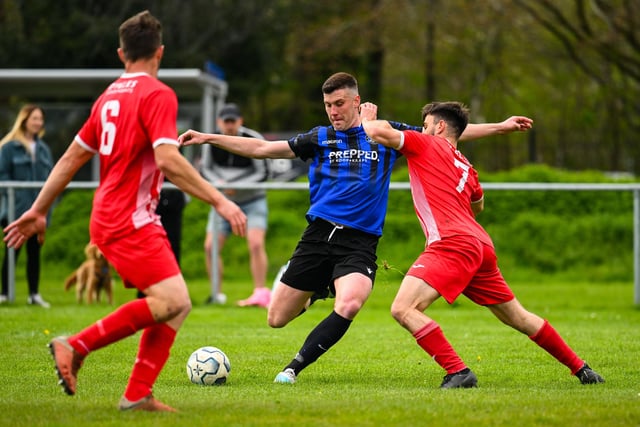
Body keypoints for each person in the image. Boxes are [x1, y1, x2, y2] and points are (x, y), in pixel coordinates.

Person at [178, 72, 532, 385]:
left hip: (359, 242)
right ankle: (320, 289)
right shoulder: (319, 138)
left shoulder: (383, 134)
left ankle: (293, 368)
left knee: (350, 303)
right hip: (317, 236)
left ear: (357, 102)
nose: (333, 111)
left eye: (340, 103)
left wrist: (500, 127)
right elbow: (261, 147)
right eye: (328, 104)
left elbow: (445, 134)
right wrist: (209, 137)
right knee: (276, 318)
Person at [3, 10, 246, 412]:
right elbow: (168, 159)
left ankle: (137, 395)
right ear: (160, 52)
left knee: (174, 301)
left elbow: (69, 158)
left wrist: (38, 210)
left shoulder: (107, 98)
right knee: (172, 299)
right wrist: (219, 199)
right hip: (128, 218)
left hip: (112, 216)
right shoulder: (157, 94)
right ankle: (75, 346)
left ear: (121, 53)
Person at [361, 101, 604, 388]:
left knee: (404, 309)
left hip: (452, 243)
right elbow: (478, 205)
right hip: (479, 245)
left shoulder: (426, 145)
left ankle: (459, 372)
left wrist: (366, 118)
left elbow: (378, 132)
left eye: (425, 126)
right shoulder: (466, 166)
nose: (422, 130)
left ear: (439, 127)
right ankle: (583, 370)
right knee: (518, 317)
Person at [201, 103, 270, 307]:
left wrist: (239, 186)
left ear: (240, 121)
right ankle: (216, 294)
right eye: (226, 121)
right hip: (223, 202)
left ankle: (260, 293)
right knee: (210, 246)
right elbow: (205, 170)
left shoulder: (253, 138)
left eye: (233, 121)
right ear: (218, 122)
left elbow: (264, 172)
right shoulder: (211, 140)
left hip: (253, 201)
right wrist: (221, 186)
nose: (229, 125)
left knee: (256, 244)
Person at [0, 104, 54, 307]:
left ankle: (34, 294)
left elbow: (51, 178)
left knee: (34, 252)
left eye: (40, 119)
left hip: (37, 211)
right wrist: (15, 197)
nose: (38, 123)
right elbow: (2, 175)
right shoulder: (8, 148)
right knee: (12, 250)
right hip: (15, 210)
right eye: (34, 118)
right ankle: (5, 293)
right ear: (24, 121)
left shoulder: (44, 150)